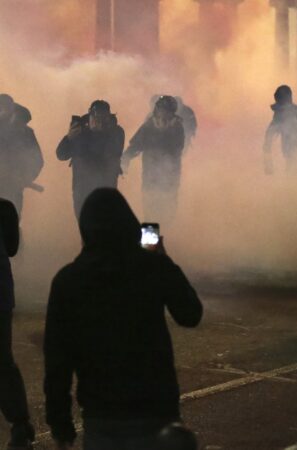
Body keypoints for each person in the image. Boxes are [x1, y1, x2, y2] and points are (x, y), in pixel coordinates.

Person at [44, 188, 202, 450]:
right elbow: (191, 314)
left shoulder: (69, 280)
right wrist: (164, 260)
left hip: (102, 418)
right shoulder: (152, 267)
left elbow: (57, 360)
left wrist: (60, 426)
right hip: (157, 413)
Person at [0, 198, 35, 450]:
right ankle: (20, 424)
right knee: (2, 361)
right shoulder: (4, 208)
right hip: (1, 295)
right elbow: (11, 248)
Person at [56, 100, 125, 219]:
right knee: (84, 224)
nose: (97, 120)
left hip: (106, 187)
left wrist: (99, 133)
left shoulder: (116, 132)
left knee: (104, 223)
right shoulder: (80, 131)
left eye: (102, 117)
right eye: (94, 116)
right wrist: (68, 138)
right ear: (89, 116)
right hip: (81, 187)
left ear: (108, 118)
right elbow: (61, 155)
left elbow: (112, 154)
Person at [122, 95, 185, 223]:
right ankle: (149, 242)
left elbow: (176, 148)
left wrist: (164, 131)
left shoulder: (177, 128)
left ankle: (168, 238)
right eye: (161, 109)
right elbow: (136, 145)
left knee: (168, 213)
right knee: (150, 213)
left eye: (166, 111)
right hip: (150, 178)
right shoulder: (148, 126)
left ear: (172, 113)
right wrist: (126, 157)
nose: (163, 113)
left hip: (170, 179)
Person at [0, 94, 44, 218]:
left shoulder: (25, 132)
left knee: (11, 222)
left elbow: (37, 160)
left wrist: (25, 178)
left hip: (14, 188)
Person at [263, 85, 297, 175]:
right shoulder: (287, 113)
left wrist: (268, 164)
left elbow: (269, 137)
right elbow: (269, 137)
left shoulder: (281, 115)